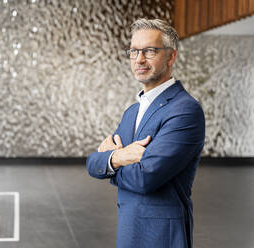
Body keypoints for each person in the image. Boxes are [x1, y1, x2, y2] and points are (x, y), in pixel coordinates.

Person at [86, 19, 205, 248]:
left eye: (150, 51)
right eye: (134, 51)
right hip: (129, 231)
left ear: (171, 57)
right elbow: (92, 163)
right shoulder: (132, 112)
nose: (139, 59)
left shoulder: (185, 110)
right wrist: (119, 158)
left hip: (161, 237)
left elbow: (145, 178)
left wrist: (111, 162)